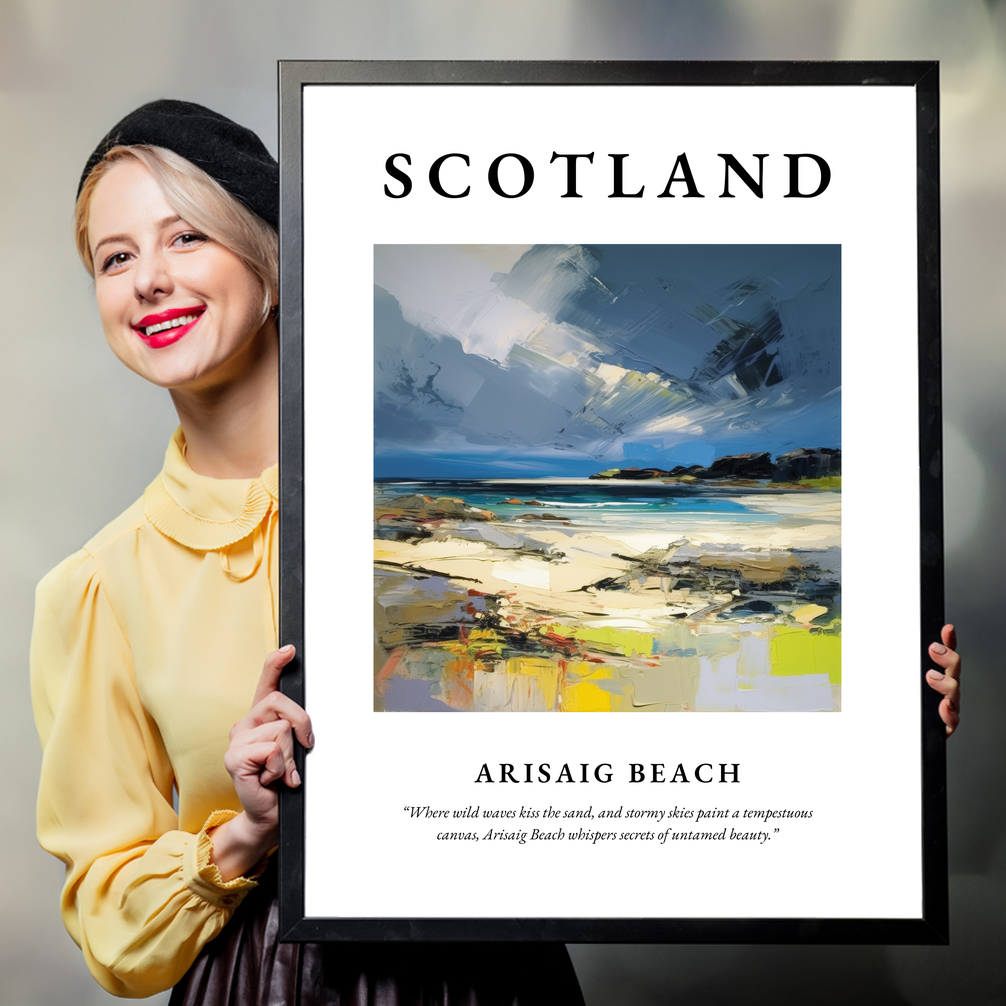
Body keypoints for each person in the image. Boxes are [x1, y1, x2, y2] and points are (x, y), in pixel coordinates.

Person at [30, 100, 585, 1004]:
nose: (148, 281)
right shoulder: (97, 587)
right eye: (116, 257)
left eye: (185, 239)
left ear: (274, 264)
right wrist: (245, 832)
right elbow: (110, 924)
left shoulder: (452, 500)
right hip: (263, 981)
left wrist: (883, 704)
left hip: (492, 973)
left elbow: (621, 706)